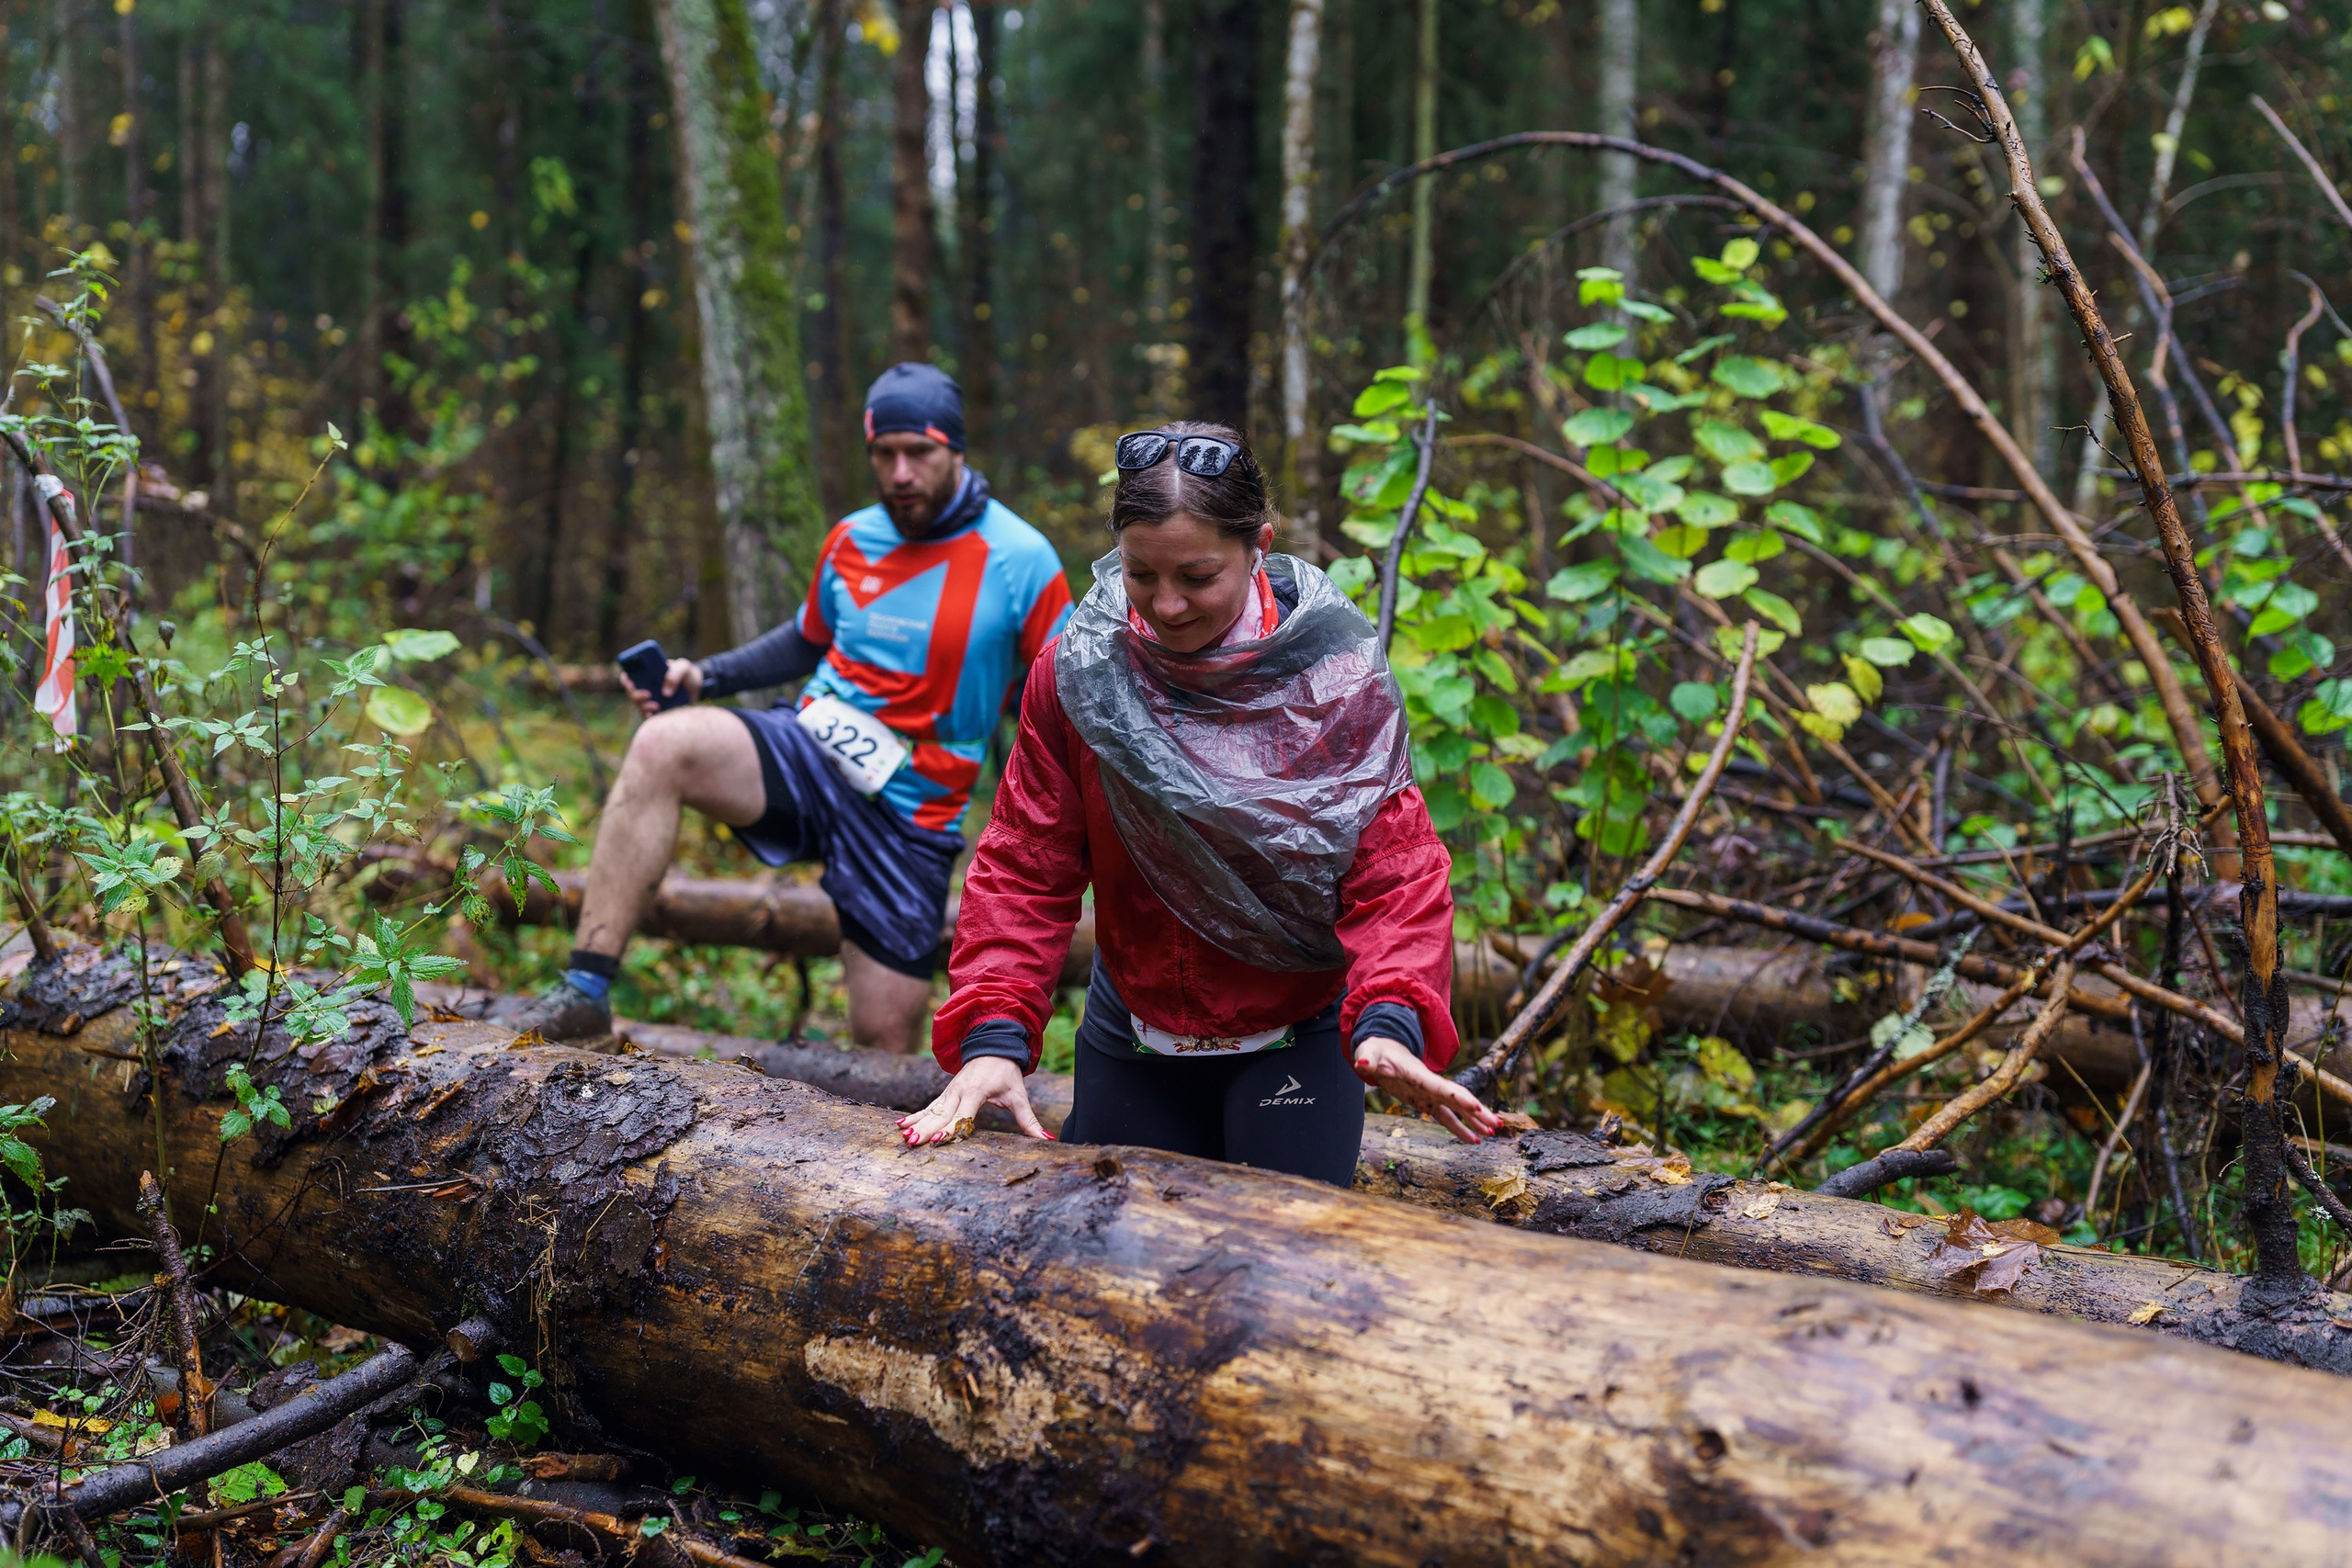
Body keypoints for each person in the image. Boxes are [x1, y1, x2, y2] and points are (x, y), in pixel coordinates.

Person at [899, 423, 1498, 1177]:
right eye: (1141, 573)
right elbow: (1027, 860)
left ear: (1259, 547)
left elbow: (1395, 867)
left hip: (1291, 1040)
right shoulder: (1081, 671)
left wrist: (1391, 1014)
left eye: (1198, 575)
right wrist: (995, 1033)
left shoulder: (1331, 681)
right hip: (1133, 1037)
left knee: (1283, 1250)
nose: (1168, 603)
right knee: (1102, 1242)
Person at [502, 364, 1074, 1050]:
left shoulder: (1023, 559)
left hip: (911, 813)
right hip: (809, 749)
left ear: (955, 449)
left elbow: (1062, 695)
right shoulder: (852, 538)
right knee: (664, 744)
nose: (900, 473)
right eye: (884, 453)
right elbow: (807, 639)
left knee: (883, 1041)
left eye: (918, 452)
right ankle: (586, 990)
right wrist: (704, 676)